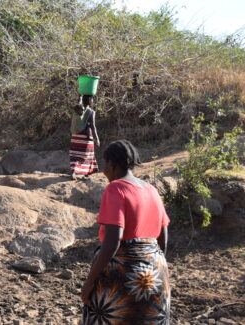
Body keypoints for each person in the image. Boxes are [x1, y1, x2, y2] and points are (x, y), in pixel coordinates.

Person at [81, 140, 171, 324]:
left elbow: (113, 240)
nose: (104, 170)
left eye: (105, 164)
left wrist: (89, 282)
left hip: (123, 275)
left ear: (113, 164)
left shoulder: (116, 188)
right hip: (155, 272)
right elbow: (163, 238)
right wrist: (151, 267)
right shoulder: (151, 190)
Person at [69, 95, 100, 179]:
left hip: (75, 137)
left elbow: (79, 101)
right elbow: (93, 126)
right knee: (88, 155)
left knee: (74, 155)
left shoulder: (77, 110)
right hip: (86, 137)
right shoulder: (91, 112)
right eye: (92, 100)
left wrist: (80, 96)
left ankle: (73, 173)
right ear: (90, 100)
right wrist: (96, 138)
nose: (93, 101)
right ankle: (87, 174)